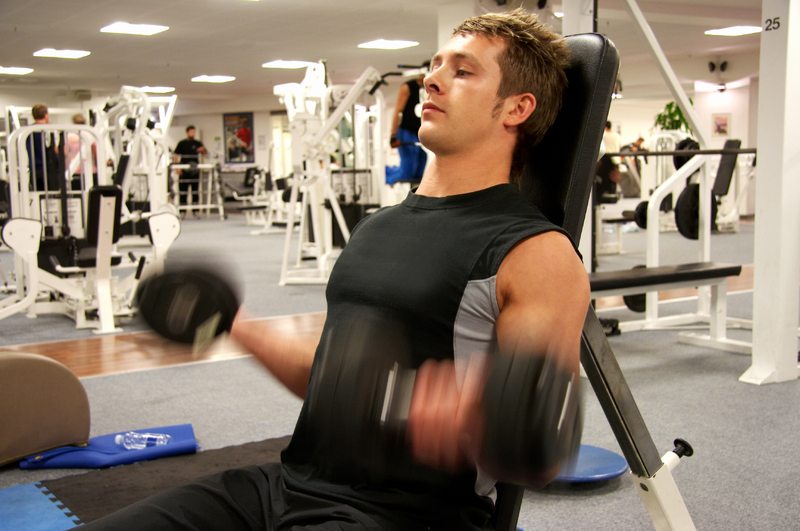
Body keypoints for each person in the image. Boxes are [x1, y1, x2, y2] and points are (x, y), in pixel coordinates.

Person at [85, 8, 588, 530]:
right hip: (285, 487)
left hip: (411, 514)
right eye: (436, 65)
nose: (431, 80)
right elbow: (329, 380)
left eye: (463, 71)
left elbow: (540, 444)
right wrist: (230, 323)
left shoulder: (534, 253)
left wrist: (442, 413)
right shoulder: (378, 228)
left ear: (516, 108)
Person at [386, 68, 428, 184]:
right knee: (407, 173)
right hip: (406, 131)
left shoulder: (430, 89)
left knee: (420, 172)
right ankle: (387, 174)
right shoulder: (408, 87)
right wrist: (393, 135)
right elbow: (397, 112)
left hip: (420, 132)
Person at [25, 103, 59, 191]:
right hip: (49, 171)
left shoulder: (27, 132)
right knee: (52, 198)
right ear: (46, 115)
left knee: (38, 198)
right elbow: (55, 150)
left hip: (34, 170)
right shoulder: (49, 130)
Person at [173, 125, 207, 207]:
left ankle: (196, 209)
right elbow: (175, 155)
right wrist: (177, 168)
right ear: (187, 132)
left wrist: (203, 150)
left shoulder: (197, 143)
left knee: (195, 190)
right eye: (191, 132)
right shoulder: (182, 143)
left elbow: (205, 154)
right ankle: (182, 210)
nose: (193, 133)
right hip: (184, 169)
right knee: (183, 190)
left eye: (194, 132)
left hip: (194, 170)